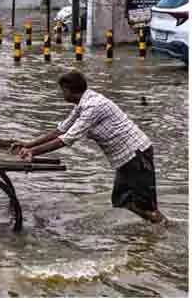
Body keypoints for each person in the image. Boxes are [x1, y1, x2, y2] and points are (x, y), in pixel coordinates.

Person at [12, 71, 165, 224]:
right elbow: (62, 130)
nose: (61, 93)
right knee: (121, 201)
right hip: (125, 158)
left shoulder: (93, 106)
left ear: (67, 89)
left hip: (136, 155)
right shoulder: (83, 103)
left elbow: (66, 139)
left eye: (62, 90)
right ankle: (150, 235)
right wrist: (29, 144)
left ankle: (164, 230)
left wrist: (33, 152)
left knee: (145, 205)